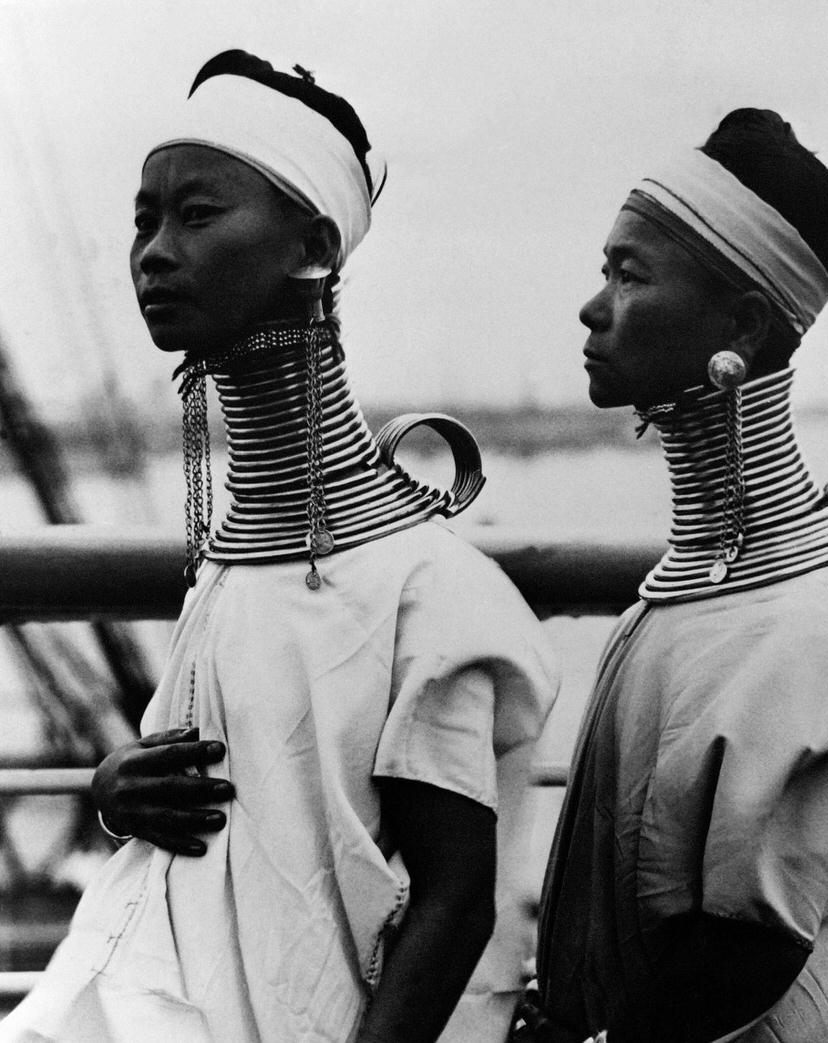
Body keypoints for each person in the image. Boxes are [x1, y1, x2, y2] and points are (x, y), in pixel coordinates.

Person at [2, 51, 558, 1043]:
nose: (153, 252)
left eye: (197, 214)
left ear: (311, 243)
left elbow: (456, 899)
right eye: (144, 220)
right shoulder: (232, 561)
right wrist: (115, 787)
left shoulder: (425, 590)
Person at [518, 109, 828, 1043]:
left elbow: (746, 949)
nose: (594, 307)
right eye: (606, 271)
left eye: (630, 274)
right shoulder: (684, 602)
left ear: (745, 323)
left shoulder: (818, 627)